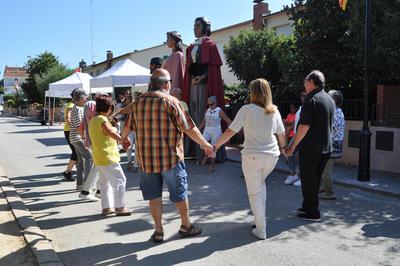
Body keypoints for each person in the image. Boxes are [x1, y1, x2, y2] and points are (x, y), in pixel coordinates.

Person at [121, 68, 213, 243]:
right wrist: (205, 144)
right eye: (170, 81)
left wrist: (123, 140)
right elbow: (189, 128)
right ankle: (186, 226)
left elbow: (127, 127)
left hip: (145, 160)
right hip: (170, 158)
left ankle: (158, 231)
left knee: (153, 196)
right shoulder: (171, 101)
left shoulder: (138, 102)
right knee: (180, 194)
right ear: (165, 84)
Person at [214, 78, 287, 240]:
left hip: (253, 157)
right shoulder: (274, 110)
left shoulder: (247, 109)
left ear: (253, 93)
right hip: (272, 157)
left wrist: (215, 146)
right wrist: (285, 150)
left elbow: (230, 132)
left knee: (254, 193)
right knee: (260, 185)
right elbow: (281, 135)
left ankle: (261, 229)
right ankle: (258, 221)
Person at [286, 70, 335, 222]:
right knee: (314, 180)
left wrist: (291, 146)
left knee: (308, 180)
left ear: (312, 82)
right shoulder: (329, 99)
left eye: (305, 81)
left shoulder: (310, 99)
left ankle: (312, 213)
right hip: (325, 148)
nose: (304, 84)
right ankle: (308, 207)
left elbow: (303, 127)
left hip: (311, 149)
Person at [182, 17, 224, 158]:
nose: (195, 28)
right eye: (194, 25)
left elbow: (211, 69)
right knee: (192, 114)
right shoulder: (191, 47)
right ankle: (193, 151)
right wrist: (191, 80)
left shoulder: (210, 45)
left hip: (205, 87)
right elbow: (190, 68)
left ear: (205, 27)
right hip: (193, 86)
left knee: (202, 115)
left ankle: (204, 153)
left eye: (198, 25)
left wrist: (202, 77)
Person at [89, 94, 131, 216]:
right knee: (120, 180)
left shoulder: (93, 120)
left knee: (104, 183)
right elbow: (109, 131)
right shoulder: (102, 120)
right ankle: (120, 207)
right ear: (108, 107)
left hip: (99, 156)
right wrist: (122, 139)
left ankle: (106, 208)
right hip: (108, 156)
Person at [69, 89, 98, 201]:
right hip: (77, 137)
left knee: (80, 160)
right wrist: (84, 138)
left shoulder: (79, 108)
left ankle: (80, 184)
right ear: (81, 98)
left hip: (75, 137)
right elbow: (78, 126)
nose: (87, 99)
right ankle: (87, 185)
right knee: (89, 157)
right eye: (85, 97)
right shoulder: (76, 109)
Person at [319, 90, 345, 200]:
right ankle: (324, 187)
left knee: (326, 171)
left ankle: (330, 193)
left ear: (333, 100)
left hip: (332, 145)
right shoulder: (338, 111)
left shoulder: (334, 113)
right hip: (335, 144)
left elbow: (330, 130)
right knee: (324, 167)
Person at [199, 96, 232, 171]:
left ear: (215, 103)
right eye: (209, 105)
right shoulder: (207, 110)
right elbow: (203, 121)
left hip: (216, 130)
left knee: (214, 149)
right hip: (207, 129)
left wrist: (229, 131)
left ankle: (212, 166)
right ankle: (207, 154)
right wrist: (198, 129)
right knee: (201, 142)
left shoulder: (219, 111)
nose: (210, 106)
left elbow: (228, 120)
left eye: (211, 104)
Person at [292, 91, 307, 187]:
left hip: (302, 137)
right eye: (302, 97)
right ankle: (298, 175)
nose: (302, 98)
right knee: (296, 157)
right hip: (297, 135)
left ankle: (303, 178)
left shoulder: (307, 109)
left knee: (301, 158)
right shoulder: (301, 108)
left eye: (304, 97)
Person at [284, 103, 299, 185]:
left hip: (295, 136)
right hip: (289, 136)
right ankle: (292, 173)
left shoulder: (297, 114)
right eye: (290, 107)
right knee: (290, 155)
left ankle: (295, 174)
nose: (291, 109)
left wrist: (290, 124)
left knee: (294, 155)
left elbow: (292, 125)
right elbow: (286, 123)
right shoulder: (289, 115)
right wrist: (290, 124)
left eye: (293, 107)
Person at [62, 100, 77, 181]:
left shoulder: (71, 104)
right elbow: (68, 117)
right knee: (76, 152)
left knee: (77, 152)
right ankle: (68, 172)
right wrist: (74, 128)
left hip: (70, 131)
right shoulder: (71, 105)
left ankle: (70, 171)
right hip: (70, 131)